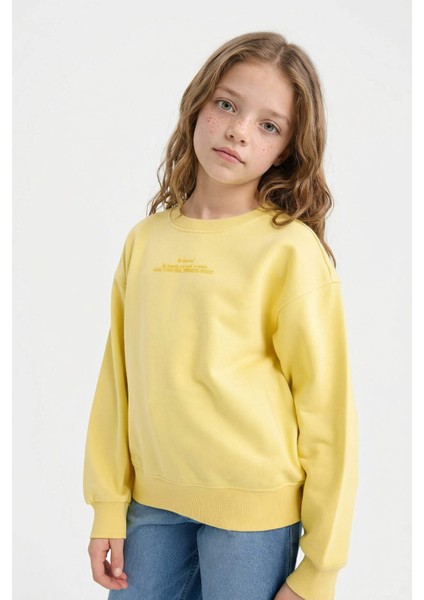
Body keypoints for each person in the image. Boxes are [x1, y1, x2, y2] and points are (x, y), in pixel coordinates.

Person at [83, 30, 358, 600]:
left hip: (254, 519)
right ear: (197, 104)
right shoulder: (146, 240)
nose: (238, 130)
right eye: (227, 104)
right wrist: (108, 505)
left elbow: (327, 413)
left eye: (269, 125)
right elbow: (118, 380)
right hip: (151, 505)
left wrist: (320, 568)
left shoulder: (290, 251)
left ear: (287, 150)